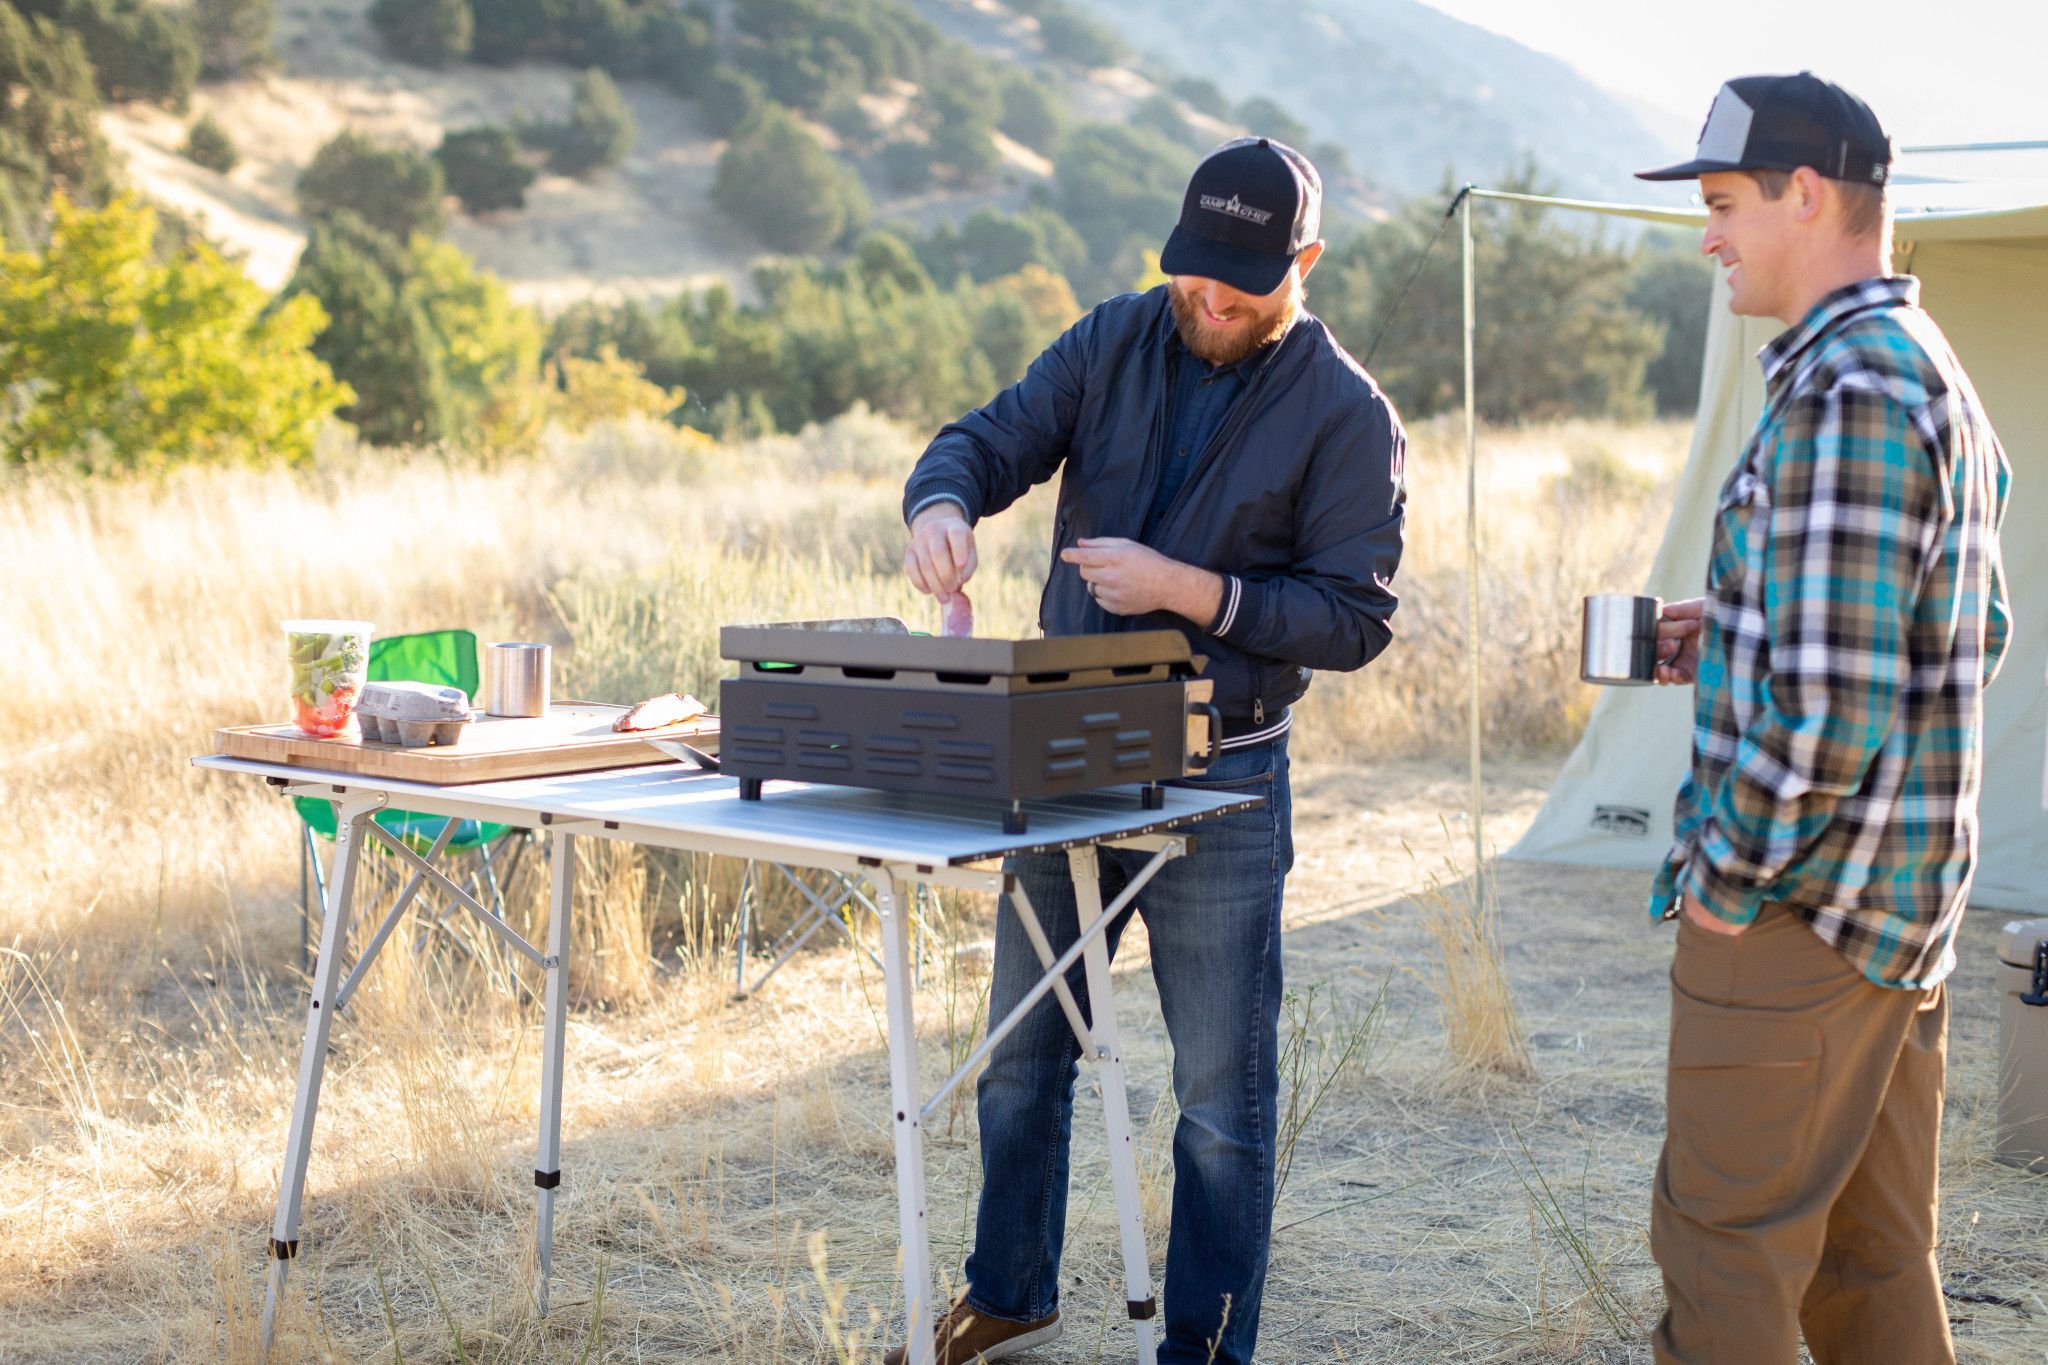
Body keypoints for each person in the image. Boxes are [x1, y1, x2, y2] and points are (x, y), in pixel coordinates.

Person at [888, 137, 1405, 1365]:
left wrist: (1192, 591)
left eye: (1240, 290)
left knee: (1218, 1105)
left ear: (1304, 264)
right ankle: (1008, 1294)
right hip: (1066, 747)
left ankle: (1204, 1347)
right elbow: (985, 438)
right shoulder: (1109, 339)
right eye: (1194, 282)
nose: (1210, 307)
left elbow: (1354, 618)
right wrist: (940, 503)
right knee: (1020, 1060)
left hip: (1222, 780)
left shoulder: (1347, 413)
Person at [1635, 73, 2010, 1364]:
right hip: (1896, 913)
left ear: (1808, 193)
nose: (1711, 234)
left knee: (1722, 1251)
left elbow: (1834, 709)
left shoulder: (1847, 387)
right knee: (1870, 1262)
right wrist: (1739, 621)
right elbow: (1967, 630)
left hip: (1799, 914)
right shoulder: (1923, 364)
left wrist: (1724, 877)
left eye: (1728, 202)